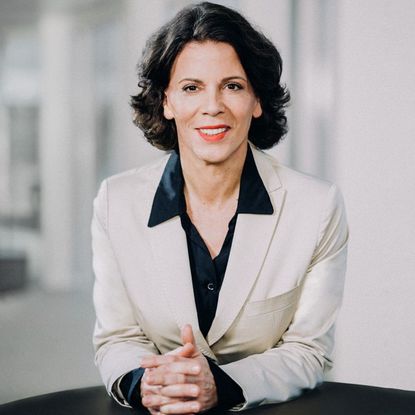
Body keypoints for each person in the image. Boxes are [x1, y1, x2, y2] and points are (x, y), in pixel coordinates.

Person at [92, 2, 348, 413]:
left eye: (232, 85)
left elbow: (308, 351)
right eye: (191, 87)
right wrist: (148, 383)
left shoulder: (316, 207)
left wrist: (221, 384)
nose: (213, 105)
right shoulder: (115, 202)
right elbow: (118, 338)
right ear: (167, 103)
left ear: (257, 101)